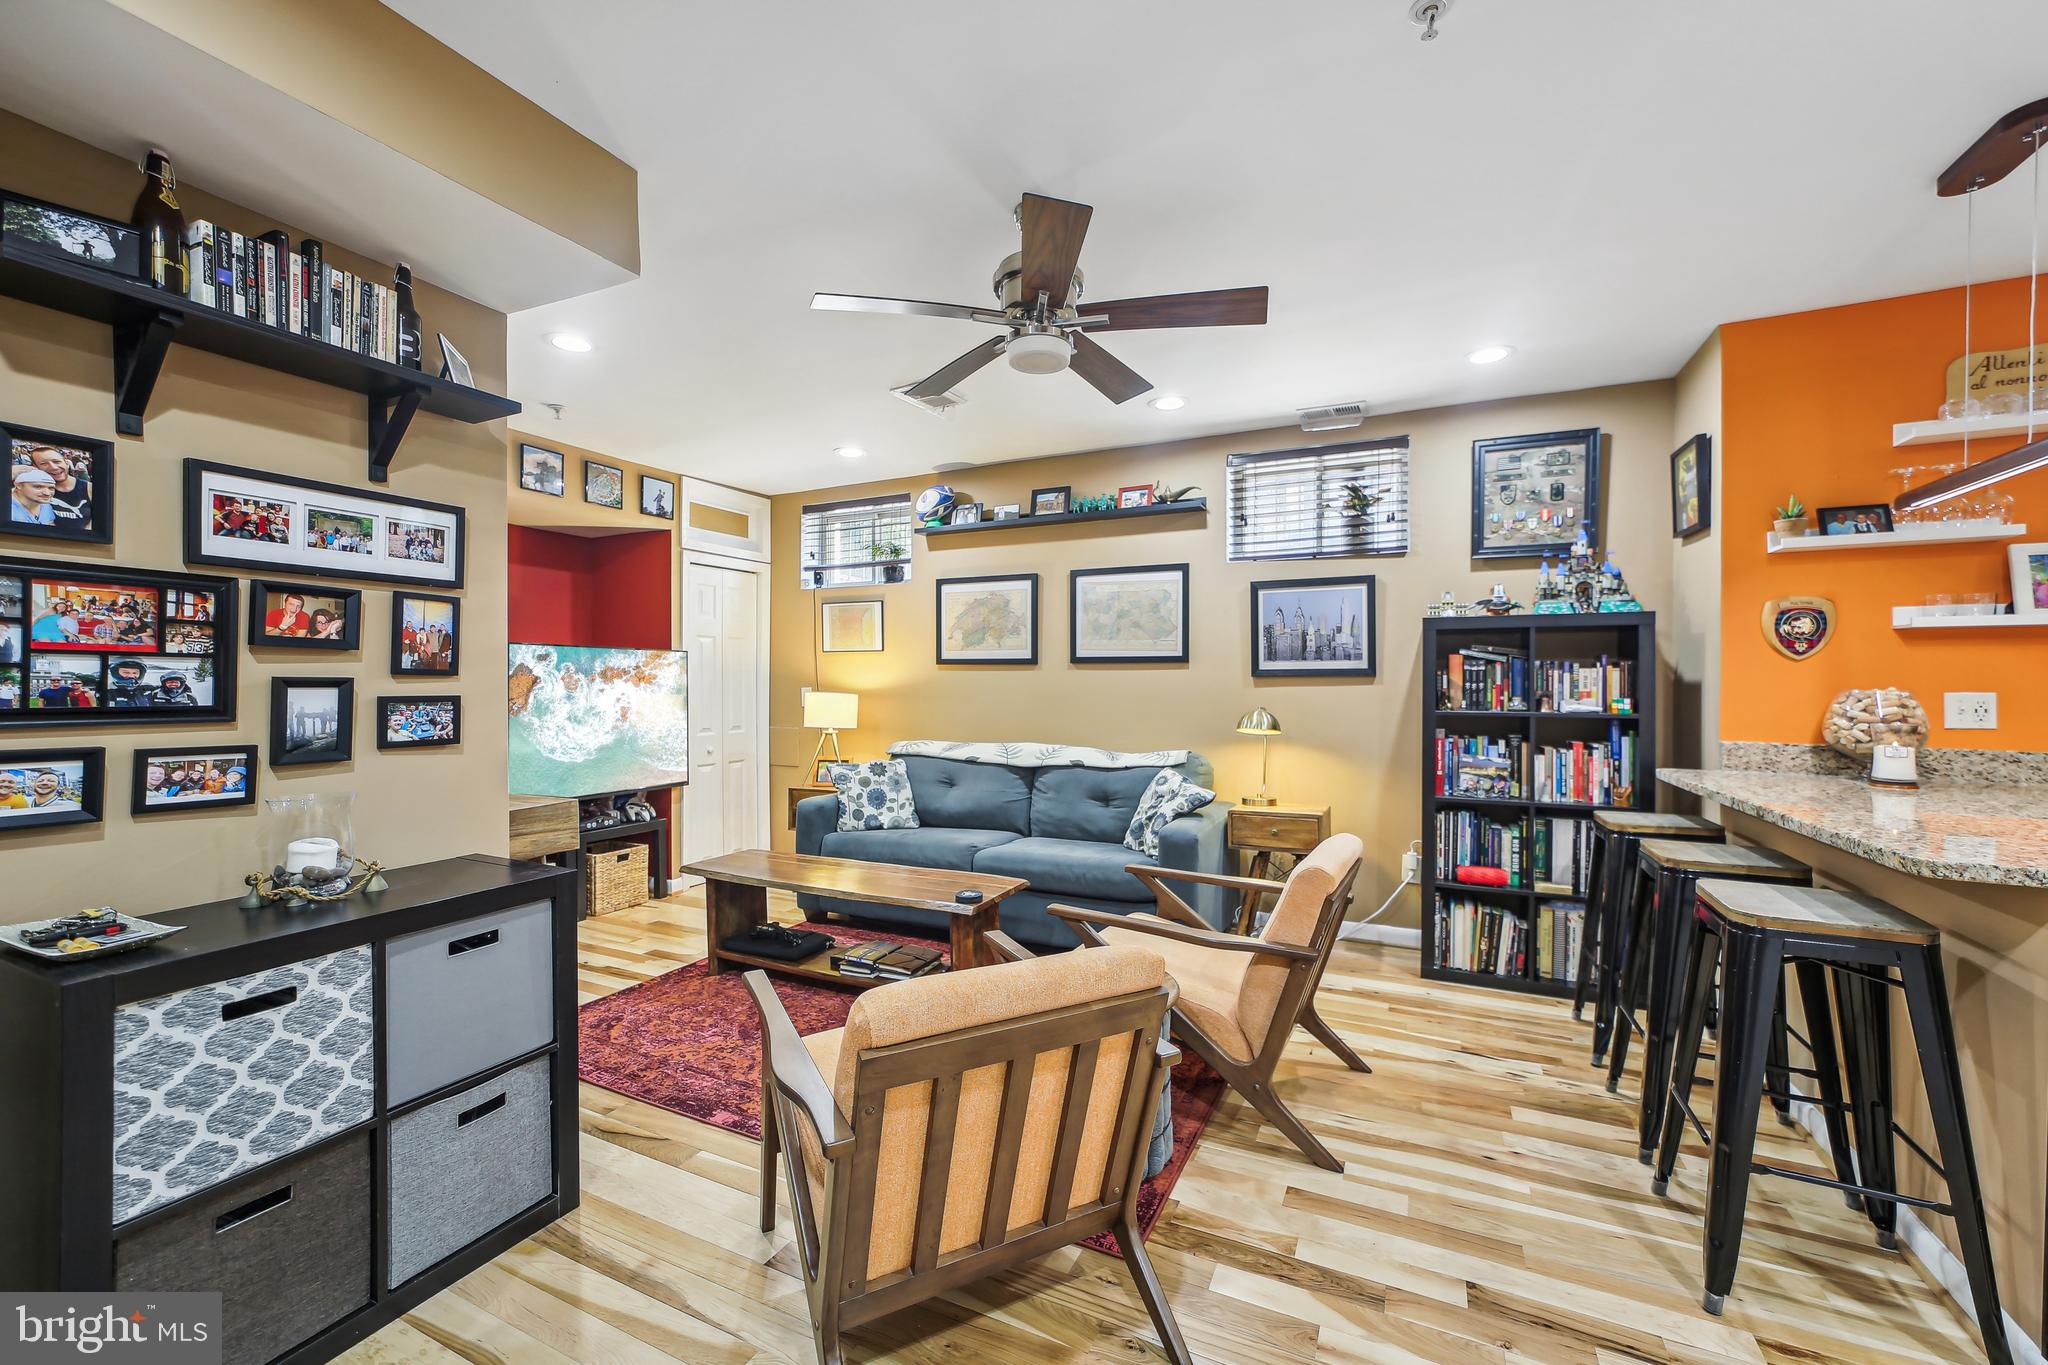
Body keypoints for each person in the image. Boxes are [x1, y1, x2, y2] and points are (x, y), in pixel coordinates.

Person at [27, 446, 92, 530]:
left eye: (57, 461)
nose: (53, 467)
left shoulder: (89, 488)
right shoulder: (31, 491)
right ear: (35, 467)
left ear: (66, 463)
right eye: (44, 464)